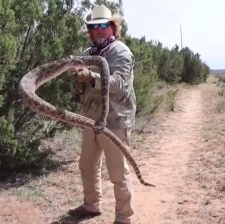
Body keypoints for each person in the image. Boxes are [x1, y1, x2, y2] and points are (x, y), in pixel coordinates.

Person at [68, 4, 136, 224]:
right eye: (94, 26)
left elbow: (118, 84)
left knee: (118, 170)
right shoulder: (87, 53)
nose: (98, 30)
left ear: (113, 27)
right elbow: (80, 82)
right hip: (90, 117)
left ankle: (123, 217)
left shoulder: (121, 52)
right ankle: (91, 205)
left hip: (114, 120)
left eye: (103, 25)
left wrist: (90, 76)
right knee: (87, 164)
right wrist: (77, 80)